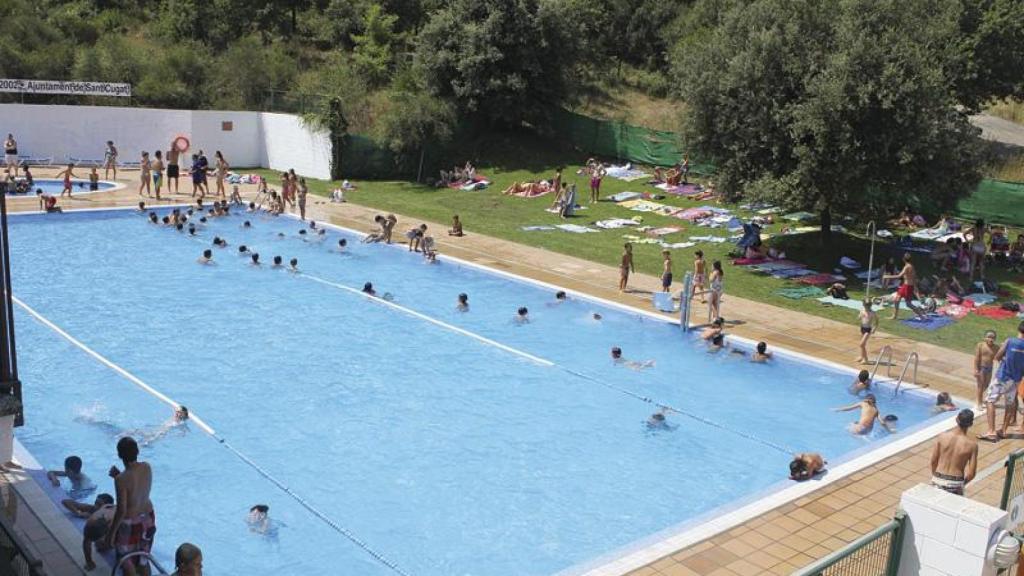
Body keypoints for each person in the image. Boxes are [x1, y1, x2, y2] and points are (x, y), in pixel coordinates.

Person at [104, 437, 155, 576]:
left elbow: (122, 510)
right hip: (148, 518)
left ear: (120, 455)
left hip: (130, 523)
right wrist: (119, 476)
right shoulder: (147, 466)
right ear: (137, 451)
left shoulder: (121, 480)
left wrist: (111, 534)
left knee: (127, 561)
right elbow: (136, 487)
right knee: (143, 558)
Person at [979, 321, 1024, 442]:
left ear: (1019, 329)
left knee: (990, 401)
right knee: (1010, 404)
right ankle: (1003, 431)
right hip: (1016, 380)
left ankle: (991, 431)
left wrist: (1004, 359)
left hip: (1003, 377)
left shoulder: (1010, 341)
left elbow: (997, 356)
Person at [931, 409, 978, 495]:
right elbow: (971, 473)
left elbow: (933, 461)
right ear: (971, 424)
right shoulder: (972, 445)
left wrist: (936, 476)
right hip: (956, 482)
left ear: (956, 419)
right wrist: (962, 484)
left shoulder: (942, 437)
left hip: (938, 477)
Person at [64, 493, 115, 571]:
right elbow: (65, 501)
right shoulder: (93, 509)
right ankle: (90, 562)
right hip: (100, 526)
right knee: (95, 542)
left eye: (99, 504)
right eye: (96, 503)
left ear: (106, 506)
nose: (96, 506)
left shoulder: (114, 516)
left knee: (102, 545)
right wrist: (78, 513)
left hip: (114, 528)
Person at [883, 253, 926, 320]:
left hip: (907, 287)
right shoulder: (911, 266)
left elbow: (899, 276)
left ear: (903, 259)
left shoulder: (907, 266)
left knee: (908, 304)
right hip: (906, 286)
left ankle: (921, 316)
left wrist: (887, 276)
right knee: (897, 300)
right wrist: (915, 287)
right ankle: (894, 316)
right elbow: (914, 277)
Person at [974, 330, 998, 409]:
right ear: (984, 338)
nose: (991, 339)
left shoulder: (996, 347)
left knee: (986, 385)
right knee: (980, 385)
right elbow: (977, 358)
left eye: (993, 338)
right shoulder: (980, 345)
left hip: (989, 368)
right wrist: (976, 369)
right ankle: (979, 402)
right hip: (981, 368)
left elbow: (1000, 356)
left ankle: (979, 397)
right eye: (989, 337)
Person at [856, 300, 879, 364]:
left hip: (868, 330)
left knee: (861, 344)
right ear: (863, 305)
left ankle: (866, 360)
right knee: (863, 345)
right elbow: (859, 318)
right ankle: (861, 356)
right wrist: (860, 316)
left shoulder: (873, 313)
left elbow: (877, 321)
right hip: (862, 328)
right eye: (866, 306)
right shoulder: (862, 310)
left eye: (868, 306)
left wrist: (874, 328)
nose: (867, 308)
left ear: (870, 306)